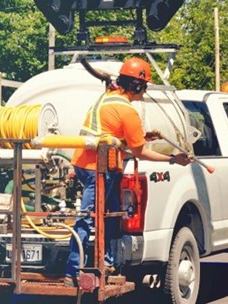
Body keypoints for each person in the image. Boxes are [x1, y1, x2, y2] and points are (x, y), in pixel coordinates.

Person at [65, 57, 191, 286]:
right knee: (88, 218)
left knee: (112, 212)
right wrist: (174, 159)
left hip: (83, 164)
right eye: (143, 87)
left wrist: (142, 137)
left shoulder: (106, 99)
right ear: (135, 85)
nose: (143, 93)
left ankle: (109, 260)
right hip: (99, 170)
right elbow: (141, 152)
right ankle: (73, 271)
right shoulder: (128, 111)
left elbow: (109, 132)